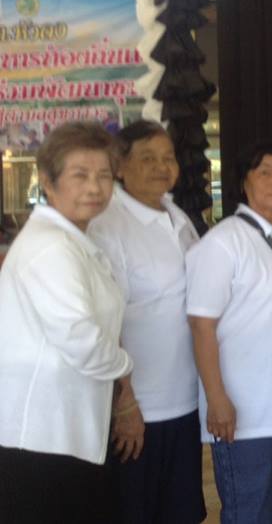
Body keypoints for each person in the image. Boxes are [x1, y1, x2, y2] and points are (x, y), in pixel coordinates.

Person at [0, 121, 133, 523]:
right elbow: (84, 342)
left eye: (104, 175)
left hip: (65, 430)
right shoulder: (51, 247)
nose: (94, 187)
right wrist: (126, 367)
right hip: (40, 438)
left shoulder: (72, 240)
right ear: (48, 181)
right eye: (80, 175)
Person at [186, 144, 272, 524]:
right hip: (245, 416)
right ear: (244, 182)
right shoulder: (224, 242)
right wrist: (216, 399)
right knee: (248, 511)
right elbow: (201, 325)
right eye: (265, 172)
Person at [87, 120, 205, 524]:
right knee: (136, 511)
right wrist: (125, 403)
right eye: (148, 158)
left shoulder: (175, 213)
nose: (161, 167)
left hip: (184, 398)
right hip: (139, 408)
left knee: (181, 511)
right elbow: (104, 323)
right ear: (120, 165)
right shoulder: (108, 225)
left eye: (168, 157)